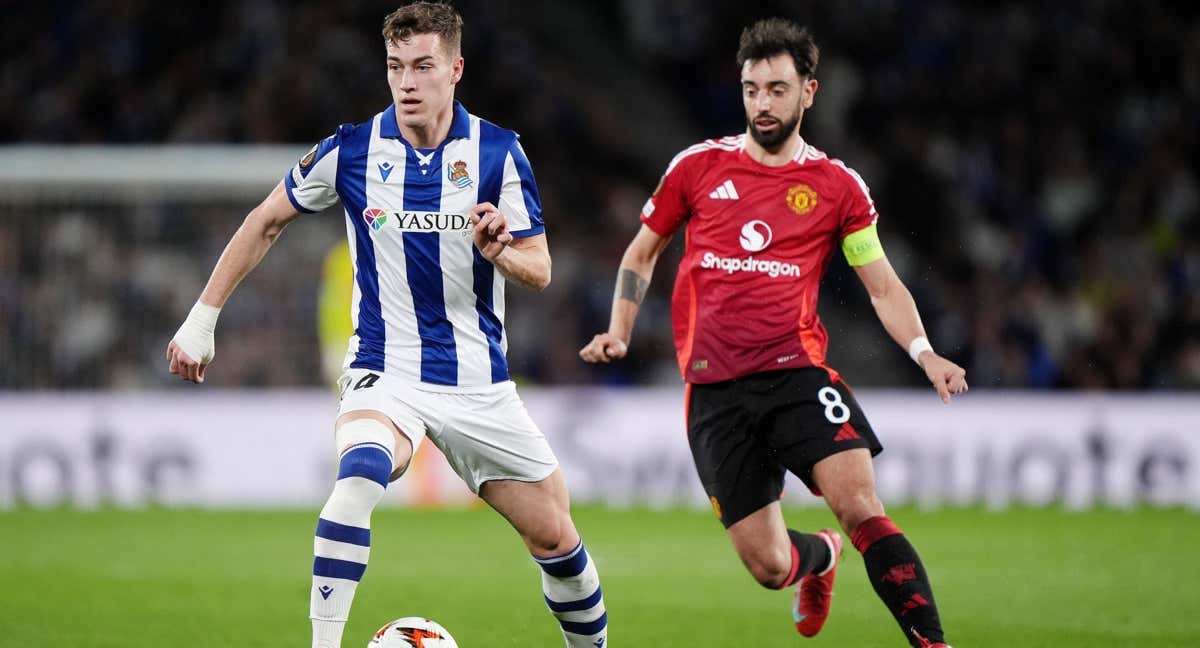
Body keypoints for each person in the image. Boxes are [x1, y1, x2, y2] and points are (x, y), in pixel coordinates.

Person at [167, 4, 608, 647]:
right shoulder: (351, 150)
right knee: (358, 477)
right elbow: (265, 219)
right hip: (386, 367)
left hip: (477, 380)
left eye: (423, 66)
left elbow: (539, 268)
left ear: (455, 70)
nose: (407, 82)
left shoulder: (499, 153)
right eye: (396, 67)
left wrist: (500, 252)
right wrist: (202, 319)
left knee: (554, 535)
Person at [581, 17, 964, 648]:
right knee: (770, 567)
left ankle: (932, 642)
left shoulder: (838, 187)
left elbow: (884, 286)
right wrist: (619, 329)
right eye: (752, 88)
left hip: (797, 375)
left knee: (861, 505)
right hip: (715, 394)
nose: (763, 103)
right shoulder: (697, 168)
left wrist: (925, 354)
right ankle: (821, 558)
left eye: (778, 89)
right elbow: (640, 254)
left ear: (809, 92)